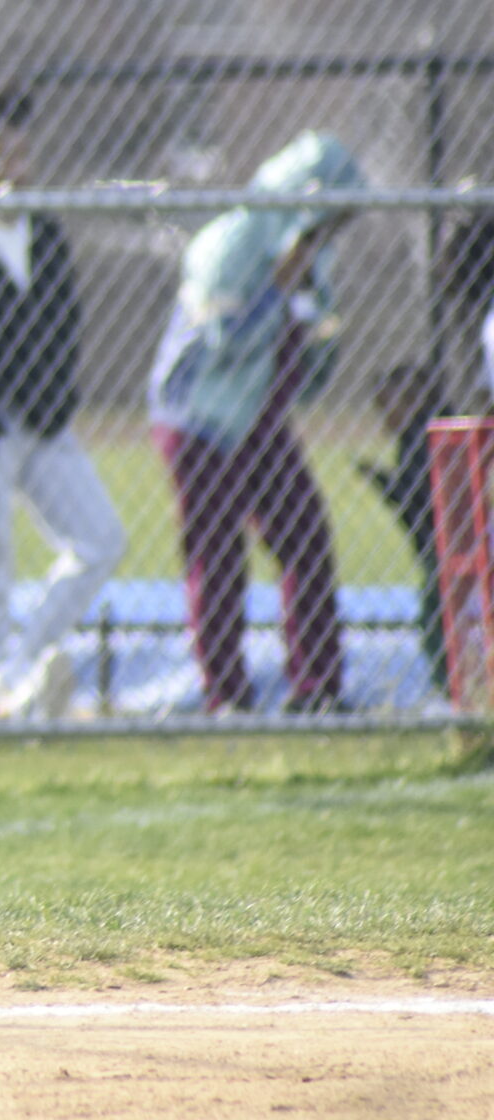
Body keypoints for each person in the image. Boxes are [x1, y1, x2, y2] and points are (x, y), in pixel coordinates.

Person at [147, 131, 362, 714]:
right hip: (203, 421)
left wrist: (319, 337)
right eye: (326, 220)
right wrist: (279, 289)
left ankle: (318, 688)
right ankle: (227, 696)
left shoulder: (312, 256)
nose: (329, 237)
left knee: (306, 536)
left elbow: (308, 361)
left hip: (260, 421)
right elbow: (224, 340)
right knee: (217, 557)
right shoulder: (235, 240)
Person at [0, 87, 125, 719]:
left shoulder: (46, 232)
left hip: (42, 422)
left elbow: (66, 322)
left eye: (22, 152)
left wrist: (54, 399)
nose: (14, 165)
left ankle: (25, 658)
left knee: (100, 538)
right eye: (0, 152)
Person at [360, 361, 446, 695]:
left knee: (435, 617)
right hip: (436, 546)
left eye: (387, 407)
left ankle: (450, 686)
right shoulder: (418, 435)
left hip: (441, 548)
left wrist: (386, 484)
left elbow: (416, 498)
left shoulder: (423, 437)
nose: (383, 418)